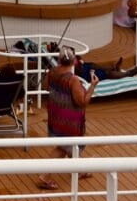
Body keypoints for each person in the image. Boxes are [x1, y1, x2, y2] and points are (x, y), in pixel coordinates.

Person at [38, 46, 96, 190]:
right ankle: (44, 176)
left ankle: (79, 169)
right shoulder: (73, 80)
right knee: (64, 147)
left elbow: (45, 87)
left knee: (68, 145)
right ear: (74, 61)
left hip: (55, 115)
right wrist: (92, 87)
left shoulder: (52, 72)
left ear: (59, 60)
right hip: (68, 120)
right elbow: (82, 101)